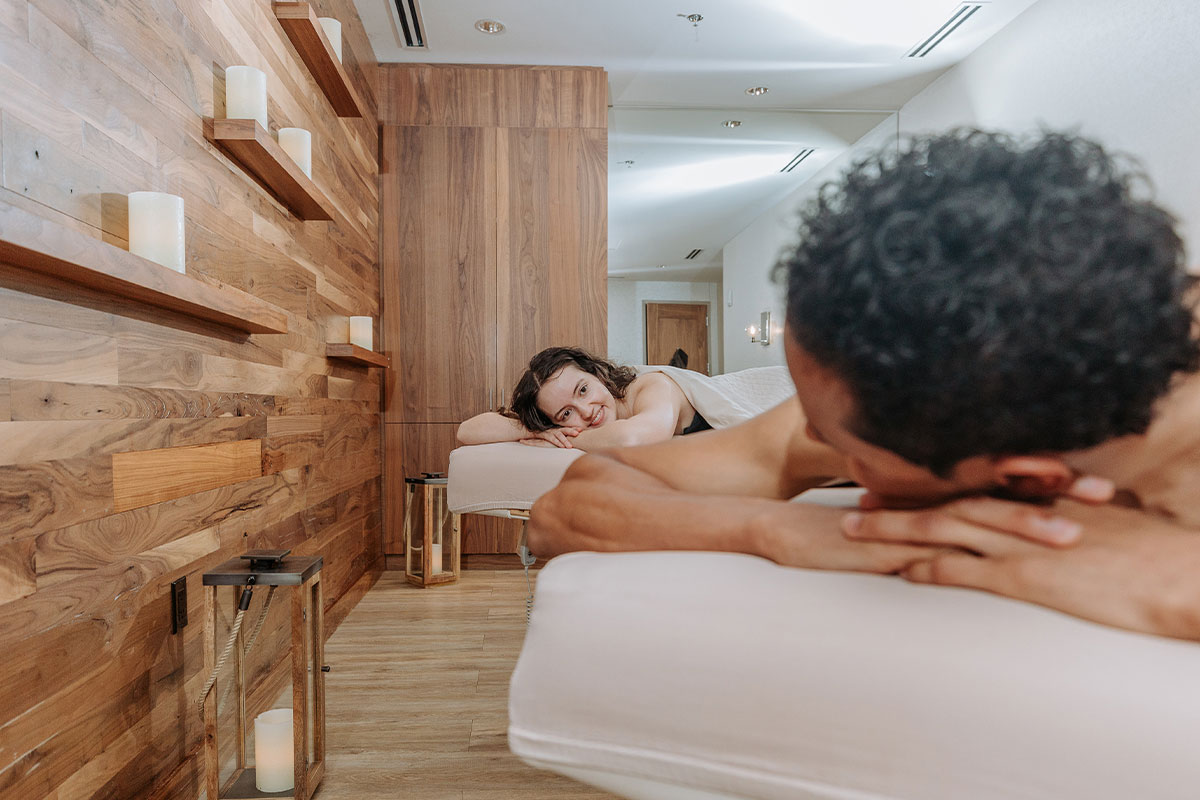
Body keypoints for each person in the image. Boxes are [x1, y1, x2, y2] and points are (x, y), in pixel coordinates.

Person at [529, 129, 1200, 641]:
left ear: (1026, 475)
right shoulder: (926, 388)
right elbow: (567, 507)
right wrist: (771, 527)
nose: (808, 434)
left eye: (836, 437)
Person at [456, 346, 807, 453]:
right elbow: (467, 431)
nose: (587, 410)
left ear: (596, 373)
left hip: (789, 392)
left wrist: (567, 438)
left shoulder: (652, 386)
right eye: (566, 413)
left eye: (583, 390)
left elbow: (633, 437)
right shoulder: (555, 423)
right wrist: (534, 428)